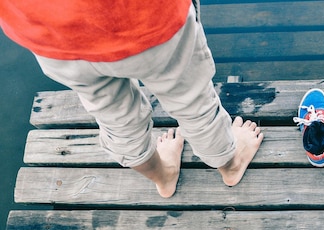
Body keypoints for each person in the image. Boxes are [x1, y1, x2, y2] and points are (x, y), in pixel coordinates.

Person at [0, 0, 263, 198]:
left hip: (50, 35)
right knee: (191, 102)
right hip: (144, 19)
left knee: (114, 118)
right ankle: (230, 165)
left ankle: (163, 176)